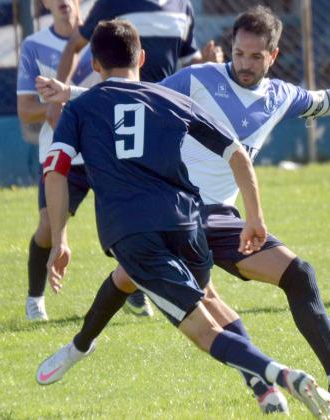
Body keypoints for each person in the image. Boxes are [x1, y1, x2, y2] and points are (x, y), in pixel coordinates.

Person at [35, 5, 330, 403]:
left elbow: (327, 100)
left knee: (294, 274)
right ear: (232, 47)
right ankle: (86, 346)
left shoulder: (281, 96)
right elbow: (134, 97)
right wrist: (71, 93)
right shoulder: (198, 79)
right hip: (181, 206)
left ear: (272, 56)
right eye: (239, 53)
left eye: (255, 56)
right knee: (159, 287)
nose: (244, 63)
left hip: (216, 217)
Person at [53, 0, 222, 316]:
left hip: (164, 114)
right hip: (120, 114)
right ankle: (142, 275)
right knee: (132, 187)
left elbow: (188, 61)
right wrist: (62, 93)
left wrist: (207, 62)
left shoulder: (182, 7)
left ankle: (144, 276)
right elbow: (76, 44)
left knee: (161, 193)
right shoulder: (113, 3)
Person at [16, 0, 101, 321]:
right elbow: (26, 109)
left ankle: (133, 291)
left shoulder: (102, 35)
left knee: (128, 223)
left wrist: (71, 98)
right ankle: (35, 298)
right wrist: (53, 105)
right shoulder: (34, 46)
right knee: (49, 228)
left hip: (103, 149)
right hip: (59, 150)